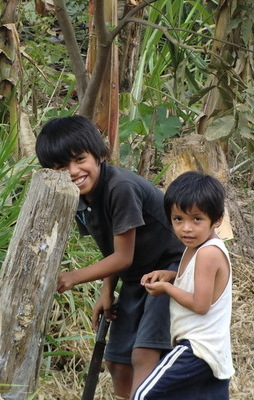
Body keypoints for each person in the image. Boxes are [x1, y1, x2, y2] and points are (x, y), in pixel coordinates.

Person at [35, 115, 185, 399]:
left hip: (169, 271)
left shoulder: (120, 188)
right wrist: (106, 291)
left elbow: (123, 257)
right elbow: (111, 250)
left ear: (99, 154)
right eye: (61, 167)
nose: (73, 171)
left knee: (144, 353)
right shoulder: (81, 198)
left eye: (80, 159)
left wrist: (71, 278)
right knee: (116, 359)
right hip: (136, 278)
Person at [133, 170, 235, 400]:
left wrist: (167, 289)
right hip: (213, 350)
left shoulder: (208, 253)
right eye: (178, 219)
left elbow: (200, 305)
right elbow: (198, 284)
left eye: (196, 219)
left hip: (197, 348)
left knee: (143, 395)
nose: (186, 228)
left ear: (217, 220)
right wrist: (170, 276)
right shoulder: (198, 245)